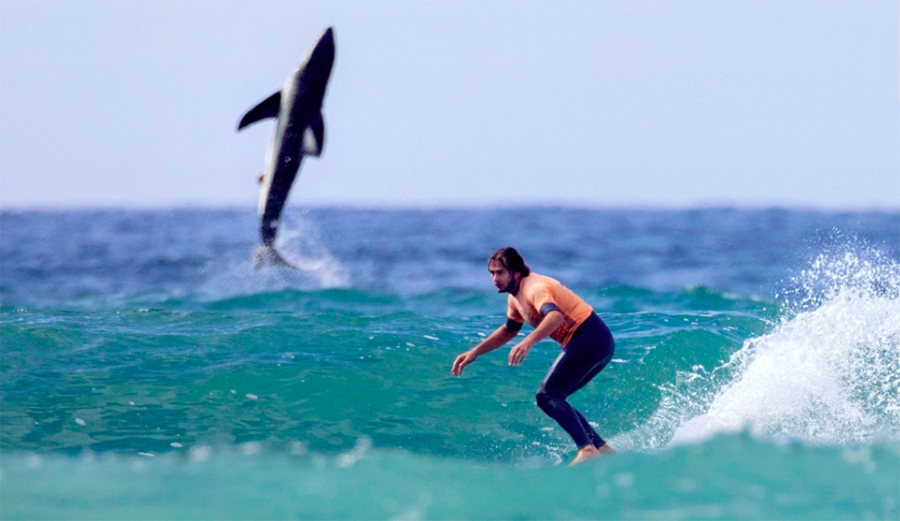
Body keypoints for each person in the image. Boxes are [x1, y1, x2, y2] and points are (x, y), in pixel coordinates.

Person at [452, 247, 616, 465]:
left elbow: (555, 317)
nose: (494, 279)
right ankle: (602, 449)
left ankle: (587, 450)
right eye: (491, 273)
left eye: (500, 272)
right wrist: (475, 352)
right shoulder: (515, 297)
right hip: (597, 341)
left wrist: (528, 342)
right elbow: (509, 330)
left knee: (547, 395)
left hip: (590, 337)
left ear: (516, 272)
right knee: (554, 397)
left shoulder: (534, 288)